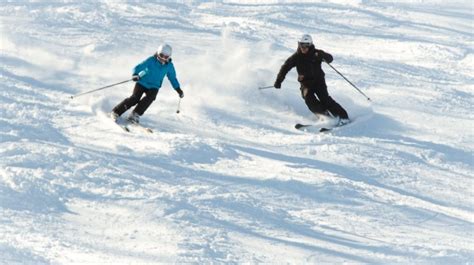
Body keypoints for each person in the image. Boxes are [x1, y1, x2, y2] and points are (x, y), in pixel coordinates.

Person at [274, 34, 350, 125]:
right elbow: (285, 67)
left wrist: (322, 55)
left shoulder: (316, 53)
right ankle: (326, 117)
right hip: (306, 84)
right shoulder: (296, 57)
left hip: (319, 82)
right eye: (301, 45)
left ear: (310, 45)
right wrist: (279, 81)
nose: (303, 48)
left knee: (325, 99)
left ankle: (343, 117)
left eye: (306, 46)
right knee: (309, 99)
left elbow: (330, 58)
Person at [110, 43, 183, 124]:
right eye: (161, 55)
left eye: (166, 57)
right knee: (135, 98)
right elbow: (138, 67)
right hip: (142, 82)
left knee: (151, 97)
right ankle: (116, 112)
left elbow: (172, 78)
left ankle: (135, 114)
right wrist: (135, 74)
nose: (163, 58)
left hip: (154, 86)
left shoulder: (169, 66)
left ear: (169, 57)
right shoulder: (151, 60)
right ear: (158, 53)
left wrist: (178, 89)